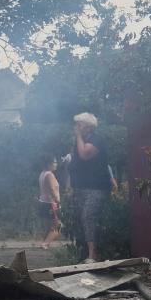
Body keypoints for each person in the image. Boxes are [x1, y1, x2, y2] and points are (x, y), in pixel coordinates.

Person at [68, 112, 112, 262]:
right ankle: (88, 253)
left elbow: (85, 155)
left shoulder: (97, 139)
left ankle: (93, 255)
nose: (76, 127)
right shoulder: (81, 140)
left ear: (87, 126)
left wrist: (78, 136)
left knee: (88, 216)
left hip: (96, 187)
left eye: (78, 124)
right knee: (83, 218)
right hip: (81, 187)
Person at [37, 156, 61, 249]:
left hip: (43, 202)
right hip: (51, 204)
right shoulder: (50, 175)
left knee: (50, 226)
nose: (56, 164)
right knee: (59, 226)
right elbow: (52, 189)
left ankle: (44, 243)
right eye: (54, 162)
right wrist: (57, 200)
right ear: (48, 164)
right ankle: (45, 244)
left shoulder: (42, 174)